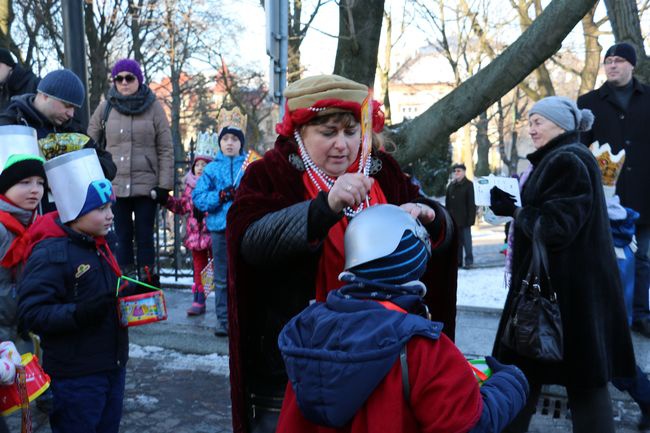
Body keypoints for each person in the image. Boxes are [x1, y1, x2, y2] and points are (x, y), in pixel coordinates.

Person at [226, 74, 457, 433]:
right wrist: (324, 207)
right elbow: (252, 242)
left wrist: (432, 218)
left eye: (351, 132)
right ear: (300, 132)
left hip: (383, 362)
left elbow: (437, 230)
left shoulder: (383, 172)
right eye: (328, 132)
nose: (342, 145)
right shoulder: (269, 173)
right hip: (299, 366)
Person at [276, 204, 529, 433]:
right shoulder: (422, 346)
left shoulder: (309, 329)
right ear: (414, 269)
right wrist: (510, 382)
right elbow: (472, 425)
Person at [489, 96, 636, 433]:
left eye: (538, 121)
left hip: (562, 298)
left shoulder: (566, 160)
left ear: (561, 125)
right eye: (530, 121)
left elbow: (556, 227)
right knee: (576, 385)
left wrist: (515, 211)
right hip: (568, 296)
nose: (532, 128)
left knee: (525, 380)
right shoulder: (563, 158)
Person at [17, 149, 127, 433]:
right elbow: (33, 313)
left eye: (110, 207)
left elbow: (104, 294)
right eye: (101, 209)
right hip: (75, 375)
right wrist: (81, 313)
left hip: (112, 365)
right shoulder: (52, 252)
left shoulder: (102, 244)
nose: (110, 215)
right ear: (76, 211)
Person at [577, 43, 650, 338]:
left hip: (646, 193)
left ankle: (642, 315)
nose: (612, 65)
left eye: (619, 60)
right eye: (608, 61)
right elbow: (579, 148)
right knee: (606, 257)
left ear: (632, 65)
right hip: (606, 198)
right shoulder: (588, 101)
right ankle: (609, 315)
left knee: (644, 257)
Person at [88, 58, 173, 285]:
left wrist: (164, 186)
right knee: (121, 238)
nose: (124, 82)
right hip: (114, 185)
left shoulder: (154, 107)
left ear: (139, 80)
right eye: (119, 78)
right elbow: (90, 142)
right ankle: (125, 285)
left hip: (147, 187)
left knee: (145, 238)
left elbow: (165, 148)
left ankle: (148, 285)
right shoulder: (105, 107)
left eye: (129, 78)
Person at [590, 141, 650, 431]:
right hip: (602, 311)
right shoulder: (617, 222)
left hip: (600, 312)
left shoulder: (611, 226)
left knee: (613, 364)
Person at [0, 135, 45, 433]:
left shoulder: (31, 223)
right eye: (25, 182)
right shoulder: (4, 228)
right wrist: (30, 300)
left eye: (40, 182)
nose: (35, 190)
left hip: (18, 328)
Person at [0, 68, 116, 180]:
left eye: (74, 108)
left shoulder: (72, 127)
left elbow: (108, 164)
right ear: (45, 95)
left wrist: (78, 165)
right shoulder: (10, 123)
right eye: (67, 105)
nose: (71, 114)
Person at [193, 109, 247, 336]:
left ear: (241, 142)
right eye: (225, 139)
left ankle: (243, 319)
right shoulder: (212, 169)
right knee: (222, 278)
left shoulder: (249, 166)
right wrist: (220, 196)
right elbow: (198, 198)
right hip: (219, 229)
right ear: (220, 142)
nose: (230, 143)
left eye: (234, 139)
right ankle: (223, 320)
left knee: (243, 275)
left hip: (244, 228)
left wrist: (243, 195)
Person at [166, 132, 217, 315]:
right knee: (199, 268)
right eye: (198, 165)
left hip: (212, 233)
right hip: (196, 236)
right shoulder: (189, 186)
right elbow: (182, 207)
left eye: (205, 165)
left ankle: (222, 301)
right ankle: (199, 299)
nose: (201, 168)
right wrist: (167, 200)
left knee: (217, 267)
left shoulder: (215, 186)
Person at [446, 162, 476, 269]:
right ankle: (458, 262)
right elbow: (447, 203)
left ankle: (469, 261)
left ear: (464, 172)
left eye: (459, 171)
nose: (456, 173)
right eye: (455, 171)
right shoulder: (451, 186)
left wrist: (471, 219)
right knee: (457, 243)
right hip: (453, 220)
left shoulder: (468, 185)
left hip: (465, 219)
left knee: (467, 242)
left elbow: (472, 204)